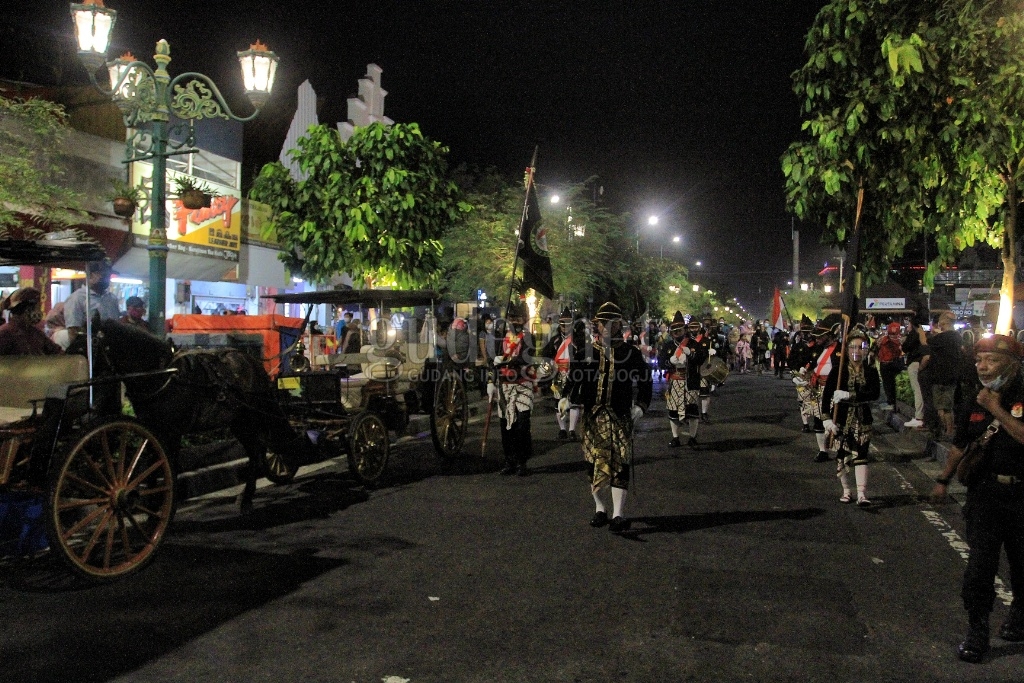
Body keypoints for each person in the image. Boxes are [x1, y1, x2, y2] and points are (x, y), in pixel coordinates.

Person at [931, 335, 1024, 663]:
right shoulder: (975, 396)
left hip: (1021, 493)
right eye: (979, 360)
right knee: (981, 564)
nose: (983, 367)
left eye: (992, 361)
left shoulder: (1016, 395)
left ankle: (1019, 616)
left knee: (1021, 562)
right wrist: (943, 479)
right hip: (985, 492)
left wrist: (995, 407)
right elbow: (960, 443)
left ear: (1012, 364)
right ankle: (978, 629)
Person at [561, 301, 651, 533]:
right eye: (604, 323)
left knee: (619, 463)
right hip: (592, 417)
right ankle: (600, 508)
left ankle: (618, 514)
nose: (609, 327)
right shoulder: (585, 353)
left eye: (613, 323)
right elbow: (573, 378)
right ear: (597, 325)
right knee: (593, 464)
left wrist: (641, 405)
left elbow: (645, 381)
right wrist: (565, 397)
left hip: (620, 416)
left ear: (619, 324)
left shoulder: (630, 353)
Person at [820, 328, 880, 506]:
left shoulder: (870, 371)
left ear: (866, 350)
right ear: (847, 350)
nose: (857, 351)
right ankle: (847, 491)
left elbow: (874, 393)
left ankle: (862, 493)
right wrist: (826, 419)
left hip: (862, 418)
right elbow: (826, 396)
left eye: (861, 347)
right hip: (841, 417)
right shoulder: (838, 371)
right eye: (853, 347)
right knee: (842, 454)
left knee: (862, 454)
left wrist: (850, 395)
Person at [486, 301, 535, 476]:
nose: (515, 321)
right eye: (512, 318)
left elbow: (526, 358)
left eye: (518, 318)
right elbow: (491, 362)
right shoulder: (500, 338)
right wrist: (490, 381)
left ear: (524, 320)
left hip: (522, 384)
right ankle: (509, 460)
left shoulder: (529, 337)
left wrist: (507, 361)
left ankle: (522, 461)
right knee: (506, 426)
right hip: (504, 386)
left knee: (522, 424)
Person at [659, 312, 710, 447]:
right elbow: (660, 362)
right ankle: (675, 437)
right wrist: (669, 362)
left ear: (684, 330)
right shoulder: (668, 345)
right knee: (673, 411)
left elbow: (702, 360)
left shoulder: (694, 343)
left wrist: (691, 354)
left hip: (691, 381)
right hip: (675, 382)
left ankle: (692, 437)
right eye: (674, 331)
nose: (677, 333)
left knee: (692, 410)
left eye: (679, 330)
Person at [920, 311, 962, 441]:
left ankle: (947, 431)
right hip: (952, 375)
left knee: (942, 408)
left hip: (940, 377)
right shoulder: (957, 337)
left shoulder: (942, 337)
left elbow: (925, 342)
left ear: (943, 323)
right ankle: (949, 430)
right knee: (948, 406)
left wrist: (921, 331)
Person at [541, 307, 577, 439]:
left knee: (573, 401)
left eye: (568, 323)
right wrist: (549, 367)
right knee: (558, 402)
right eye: (563, 324)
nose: (565, 326)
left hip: (573, 373)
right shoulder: (555, 340)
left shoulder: (577, 340)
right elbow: (546, 356)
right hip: (558, 375)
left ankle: (572, 429)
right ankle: (562, 429)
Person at [65, 261, 120, 344]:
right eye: (103, 275)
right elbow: (73, 331)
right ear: (90, 275)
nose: (106, 279)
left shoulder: (112, 298)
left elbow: (116, 325)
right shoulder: (77, 298)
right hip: (90, 348)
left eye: (108, 276)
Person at [0, 287, 63, 355]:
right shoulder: (5, 334)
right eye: (38, 307)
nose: (39, 312)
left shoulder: (35, 333)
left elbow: (57, 352)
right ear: (28, 309)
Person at [788, 316, 817, 433]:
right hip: (801, 376)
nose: (806, 334)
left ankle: (817, 421)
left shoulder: (817, 346)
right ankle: (805, 423)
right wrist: (796, 370)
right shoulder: (797, 346)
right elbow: (790, 361)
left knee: (815, 401)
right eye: (804, 332)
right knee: (802, 400)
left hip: (815, 376)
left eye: (808, 332)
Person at [902, 316, 930, 429]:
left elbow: (905, 348)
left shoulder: (915, 334)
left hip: (915, 363)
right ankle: (924, 417)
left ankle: (919, 418)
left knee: (917, 390)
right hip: (926, 363)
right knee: (924, 390)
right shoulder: (929, 333)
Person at [873, 321, 905, 410]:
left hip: (888, 364)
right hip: (889, 364)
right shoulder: (890, 340)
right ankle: (891, 402)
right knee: (890, 384)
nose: (893, 336)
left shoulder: (885, 339)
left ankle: (891, 402)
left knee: (889, 384)